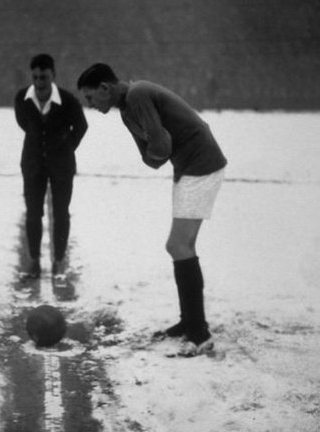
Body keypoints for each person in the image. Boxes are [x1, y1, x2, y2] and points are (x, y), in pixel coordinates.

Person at [77, 63, 227, 356]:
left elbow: (158, 147)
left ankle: (199, 334)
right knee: (181, 246)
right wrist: (158, 148)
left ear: (106, 88)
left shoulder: (138, 95)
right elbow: (154, 157)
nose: (91, 105)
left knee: (178, 245)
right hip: (189, 167)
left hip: (202, 165)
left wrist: (158, 148)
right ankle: (189, 322)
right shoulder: (128, 109)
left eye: (91, 97)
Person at [14, 54, 88, 278]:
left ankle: (58, 262)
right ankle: (34, 262)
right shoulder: (22, 98)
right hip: (33, 164)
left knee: (61, 214)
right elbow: (24, 123)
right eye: (35, 77)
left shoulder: (67, 100)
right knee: (33, 214)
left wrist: (65, 148)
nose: (39, 82)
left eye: (44, 77)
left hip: (62, 166)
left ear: (53, 75)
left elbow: (81, 126)